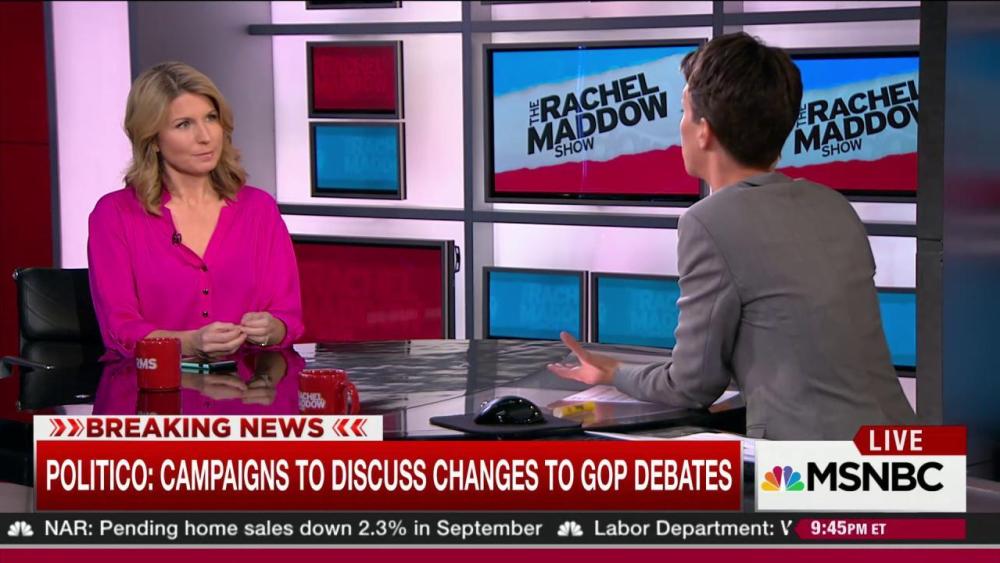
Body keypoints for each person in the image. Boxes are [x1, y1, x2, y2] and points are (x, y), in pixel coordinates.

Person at [547, 33, 916, 440]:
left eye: (684, 111)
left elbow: (691, 386)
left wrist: (614, 371)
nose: (679, 125)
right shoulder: (833, 205)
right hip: (906, 448)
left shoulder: (708, 222)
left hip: (816, 462)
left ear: (704, 131)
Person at [88, 62, 303, 358]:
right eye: (184, 124)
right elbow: (120, 328)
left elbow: (288, 317)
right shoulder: (115, 215)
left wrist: (272, 328)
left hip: (247, 382)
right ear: (153, 139)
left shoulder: (258, 209)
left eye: (211, 118)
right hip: (153, 382)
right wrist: (189, 343)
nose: (205, 136)